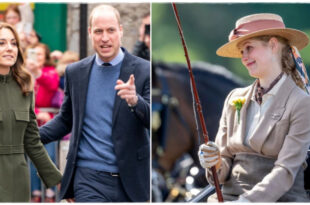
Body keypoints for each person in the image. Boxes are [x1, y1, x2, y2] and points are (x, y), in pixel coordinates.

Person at [39, 4, 150, 202]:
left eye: (110, 30)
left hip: (131, 180)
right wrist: (30, 137)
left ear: (121, 31)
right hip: (88, 179)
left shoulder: (144, 70)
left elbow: (153, 121)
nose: (104, 38)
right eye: (98, 31)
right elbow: (65, 120)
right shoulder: (75, 72)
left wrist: (135, 101)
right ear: (90, 33)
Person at [198, 13, 310, 202]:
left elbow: (286, 170)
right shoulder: (234, 99)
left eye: (249, 48)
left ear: (273, 45)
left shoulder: (301, 102)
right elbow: (224, 166)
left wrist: (248, 201)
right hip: (228, 197)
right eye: (242, 52)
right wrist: (214, 162)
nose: (244, 57)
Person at [0, 22, 62, 202]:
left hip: (18, 180)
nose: (9, 48)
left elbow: (32, 141)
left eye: (13, 43)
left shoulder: (24, 85)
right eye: (1, 43)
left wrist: (59, 181)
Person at [25, 43, 59, 202]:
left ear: (45, 57)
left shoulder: (49, 72)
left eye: (40, 54)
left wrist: (37, 72)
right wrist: (38, 112)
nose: (36, 57)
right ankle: (36, 193)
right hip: (30, 122)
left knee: (50, 156)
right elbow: (22, 100)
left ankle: (50, 192)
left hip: (48, 125)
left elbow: (52, 86)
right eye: (34, 54)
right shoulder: (22, 73)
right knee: (32, 159)